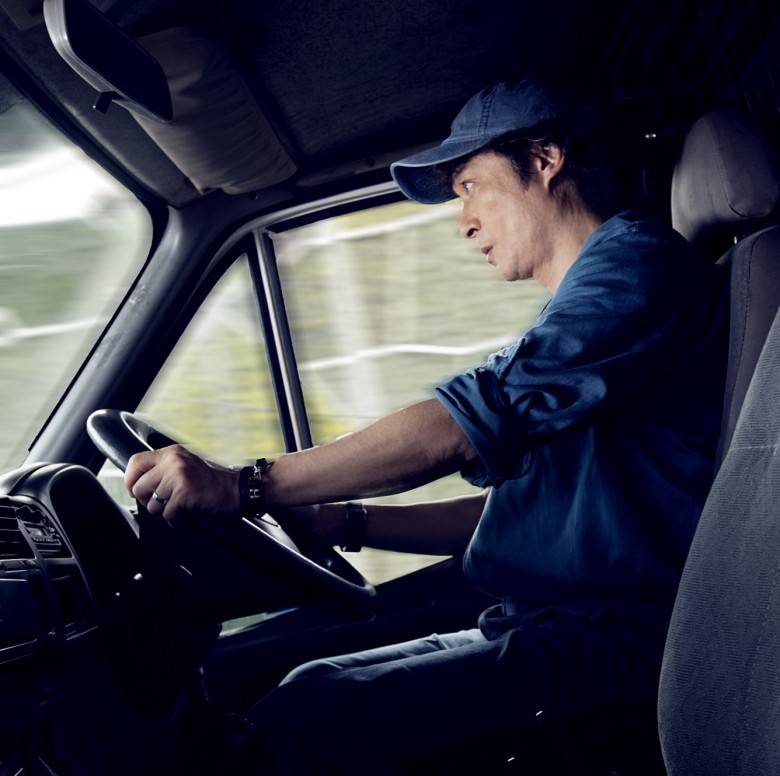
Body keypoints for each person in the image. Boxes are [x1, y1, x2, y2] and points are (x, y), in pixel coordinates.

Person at [125, 80, 728, 773]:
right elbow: (520, 514)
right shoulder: (597, 300)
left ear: (546, 159)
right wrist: (343, 521)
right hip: (553, 621)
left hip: (615, 638)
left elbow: (459, 425)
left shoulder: (634, 267)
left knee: (301, 726)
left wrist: (246, 485)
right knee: (311, 684)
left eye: (471, 186)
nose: (462, 221)